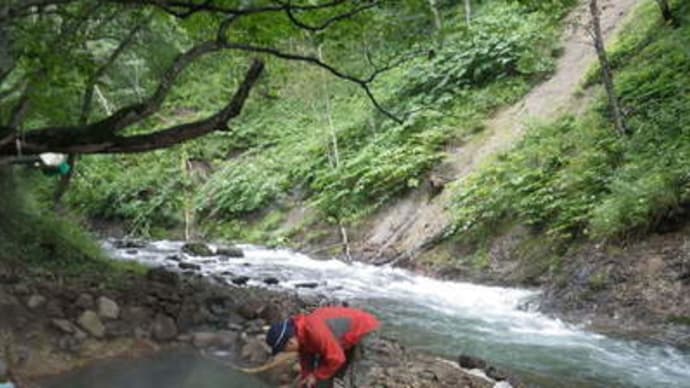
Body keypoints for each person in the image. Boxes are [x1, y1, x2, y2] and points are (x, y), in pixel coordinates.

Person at [265, 306, 380, 388]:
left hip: (365, 330)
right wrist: (307, 377)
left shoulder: (314, 331)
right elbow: (306, 359)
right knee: (324, 373)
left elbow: (337, 358)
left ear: (290, 342)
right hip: (339, 341)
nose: (285, 352)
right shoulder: (301, 334)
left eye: (283, 349)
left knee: (355, 378)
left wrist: (315, 377)